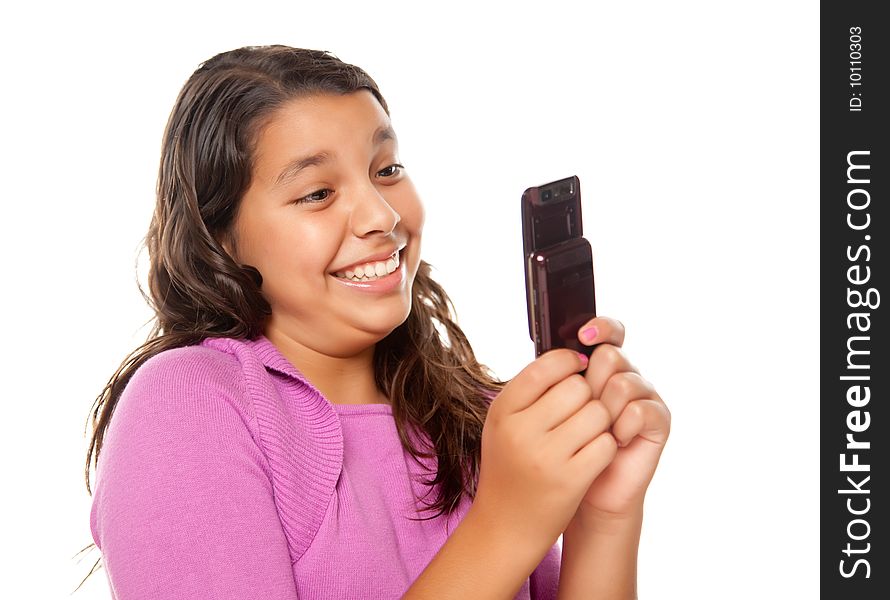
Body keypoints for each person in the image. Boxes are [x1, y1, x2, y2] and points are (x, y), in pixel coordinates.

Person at [83, 45, 670, 599]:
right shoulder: (188, 405)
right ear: (222, 239)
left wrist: (604, 513)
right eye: (316, 193)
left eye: (386, 170)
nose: (382, 216)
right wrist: (507, 523)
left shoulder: (478, 418)